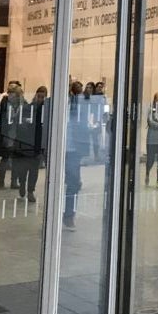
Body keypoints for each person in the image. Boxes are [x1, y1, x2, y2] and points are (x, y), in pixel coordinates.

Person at [12, 85, 48, 202]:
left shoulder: (45, 112)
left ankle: (30, 191)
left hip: (37, 145)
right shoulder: (28, 108)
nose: (40, 99)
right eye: (39, 96)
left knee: (34, 170)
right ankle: (22, 184)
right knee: (23, 169)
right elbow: (19, 123)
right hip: (26, 143)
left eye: (43, 97)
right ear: (35, 96)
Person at [64, 80, 87, 230]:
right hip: (61, 149)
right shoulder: (61, 104)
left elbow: (84, 129)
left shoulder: (80, 107)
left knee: (73, 183)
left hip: (73, 151)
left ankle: (69, 215)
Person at [0, 81, 27, 190]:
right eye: (10, 93)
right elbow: (5, 116)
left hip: (16, 132)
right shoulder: (5, 101)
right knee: (5, 157)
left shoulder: (20, 102)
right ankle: (1, 180)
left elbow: (26, 111)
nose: (11, 95)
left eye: (13, 93)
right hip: (7, 132)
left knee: (15, 158)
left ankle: (14, 181)